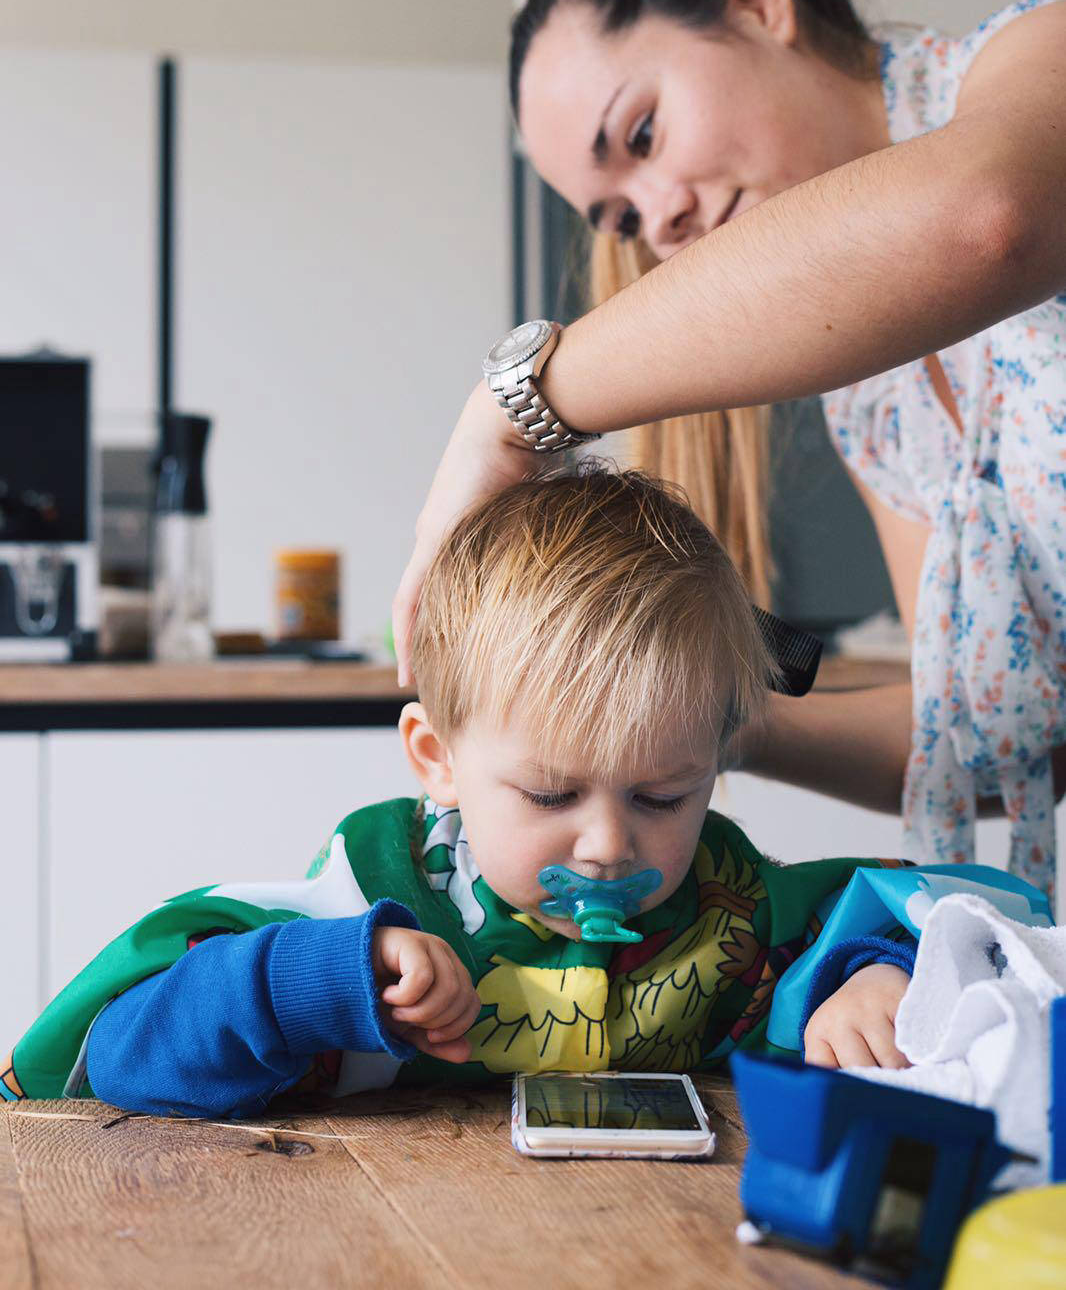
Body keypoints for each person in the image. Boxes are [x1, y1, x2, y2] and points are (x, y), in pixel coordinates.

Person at [393, 0, 1066, 901]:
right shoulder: (876, 405)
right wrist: (684, 718)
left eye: (643, 132)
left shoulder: (1034, 53)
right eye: (618, 213)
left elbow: (987, 219)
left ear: (756, 2)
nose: (656, 214)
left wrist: (512, 408)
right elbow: (995, 733)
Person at [5, 467, 954, 1118]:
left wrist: (869, 976)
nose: (606, 848)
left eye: (663, 797)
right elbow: (122, 1057)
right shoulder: (360, 908)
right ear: (437, 758)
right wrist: (319, 985)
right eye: (549, 795)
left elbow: (920, 918)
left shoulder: (729, 912)